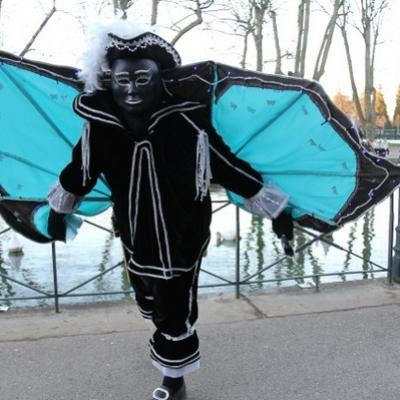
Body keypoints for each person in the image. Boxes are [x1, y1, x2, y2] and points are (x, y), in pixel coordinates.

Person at [46, 22, 287, 400]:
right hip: (133, 232)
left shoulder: (189, 120)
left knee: (173, 309)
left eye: (143, 78)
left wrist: (276, 208)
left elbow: (226, 165)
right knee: (149, 298)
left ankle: (174, 381)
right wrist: (59, 210)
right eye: (123, 79)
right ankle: (167, 332)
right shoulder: (100, 125)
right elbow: (81, 171)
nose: (132, 88)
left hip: (184, 234)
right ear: (111, 81)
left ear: (159, 80)